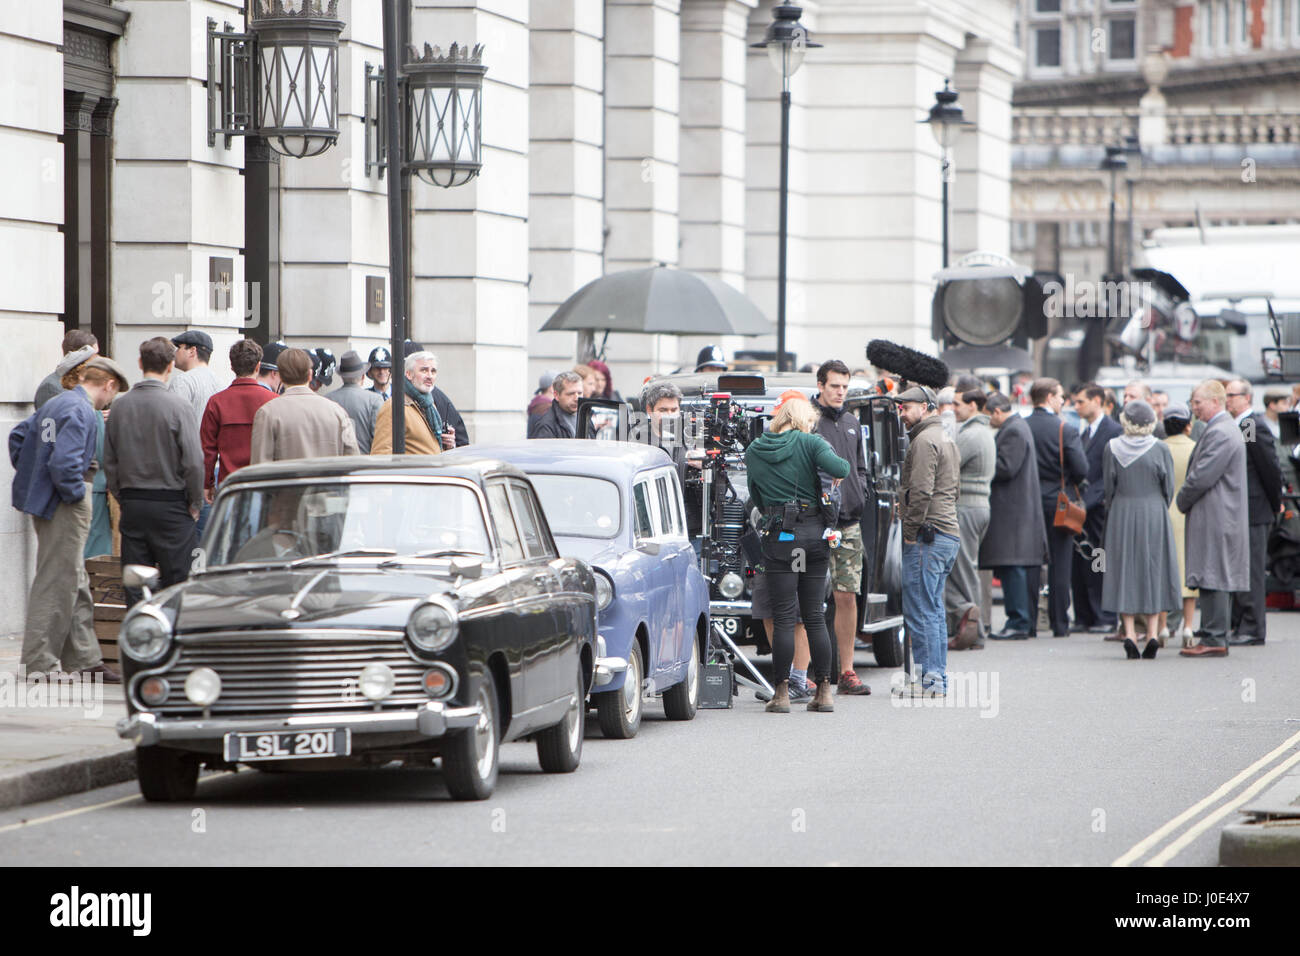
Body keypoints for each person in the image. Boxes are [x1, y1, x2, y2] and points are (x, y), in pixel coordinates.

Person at [10, 354, 127, 681]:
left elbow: (18, 438)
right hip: (66, 503)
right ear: (109, 384)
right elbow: (65, 465)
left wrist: (36, 477)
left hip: (50, 500)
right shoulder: (82, 411)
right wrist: (76, 493)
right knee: (57, 580)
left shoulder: (59, 404)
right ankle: (38, 664)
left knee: (73, 578)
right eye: (113, 393)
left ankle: (86, 659)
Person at [744, 395, 850, 713]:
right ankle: (825, 692)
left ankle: (782, 694)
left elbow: (756, 495)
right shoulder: (811, 443)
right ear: (803, 418)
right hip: (813, 537)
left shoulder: (755, 450)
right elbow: (841, 467)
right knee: (814, 615)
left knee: (784, 616)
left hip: (780, 539)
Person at [104, 337, 205, 609]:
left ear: (140, 363)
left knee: (136, 583)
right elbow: (194, 462)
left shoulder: (119, 407)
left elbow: (109, 461)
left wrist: (122, 496)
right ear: (171, 366)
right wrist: (195, 503)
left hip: (134, 503)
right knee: (178, 582)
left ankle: (141, 640)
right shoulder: (178, 406)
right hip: (172, 504)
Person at [894, 385, 961, 697]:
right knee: (933, 609)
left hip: (928, 536)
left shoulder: (923, 440)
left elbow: (921, 491)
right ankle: (937, 678)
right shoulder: (944, 436)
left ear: (925, 407)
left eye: (906, 407)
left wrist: (909, 531)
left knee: (920, 610)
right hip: (946, 533)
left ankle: (929, 680)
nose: (902, 414)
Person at [1101, 401, 1181, 659]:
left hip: (1122, 511)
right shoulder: (1160, 448)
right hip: (1154, 511)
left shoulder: (1111, 447)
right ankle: (1154, 633)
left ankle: (1130, 634)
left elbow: (1108, 487)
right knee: (1154, 569)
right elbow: (1168, 487)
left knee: (1124, 569)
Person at [813, 360, 872, 695]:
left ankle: (847, 671)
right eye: (834, 386)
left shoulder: (852, 421)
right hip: (813, 523)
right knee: (806, 598)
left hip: (848, 523)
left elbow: (860, 467)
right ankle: (802, 673)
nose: (840, 392)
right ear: (821, 385)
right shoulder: (808, 420)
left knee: (846, 595)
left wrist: (858, 492)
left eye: (844, 387)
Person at [1177, 380, 1249, 657]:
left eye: (1198, 402)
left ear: (1215, 402)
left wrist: (1181, 500)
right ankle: (1212, 634)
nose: (1194, 408)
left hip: (1217, 513)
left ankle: (1214, 637)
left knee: (1214, 572)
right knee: (1213, 571)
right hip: (1218, 512)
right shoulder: (1222, 428)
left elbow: (1202, 475)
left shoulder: (1220, 431)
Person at [980, 392, 1048, 639]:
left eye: (989, 415)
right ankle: (1020, 620)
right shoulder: (1017, 426)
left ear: (997, 411)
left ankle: (1018, 622)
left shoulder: (1014, 430)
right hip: (1016, 510)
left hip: (1013, 511)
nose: (988, 421)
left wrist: (983, 464)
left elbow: (1006, 467)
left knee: (1013, 567)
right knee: (1013, 567)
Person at [1024, 378, 1088, 637]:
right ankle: (1060, 623)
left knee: (1030, 562)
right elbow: (1082, 469)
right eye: (1060, 396)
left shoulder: (1021, 426)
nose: (1063, 401)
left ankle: (1028, 622)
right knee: (1060, 564)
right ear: (1049, 397)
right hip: (1059, 502)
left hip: (1027, 501)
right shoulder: (1065, 429)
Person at [1225, 379, 1282, 646]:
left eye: (1232, 395)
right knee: (1241, 570)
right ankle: (1241, 624)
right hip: (1243, 509)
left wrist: (1273, 503)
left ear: (1246, 398)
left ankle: (1253, 628)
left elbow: (1268, 469)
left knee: (1253, 572)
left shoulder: (1251, 425)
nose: (1227, 399)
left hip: (1255, 509)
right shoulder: (1240, 424)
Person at [945, 388, 995, 650]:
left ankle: (969, 617)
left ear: (973, 405)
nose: (953, 408)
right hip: (978, 507)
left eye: (957, 404)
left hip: (966, 507)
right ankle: (974, 628)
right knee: (967, 570)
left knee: (960, 571)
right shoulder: (983, 432)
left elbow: (948, 463)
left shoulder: (972, 434)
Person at [1071, 383, 1123, 635]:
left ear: (1097, 400)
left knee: (1098, 562)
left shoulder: (1113, 430)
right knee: (1080, 562)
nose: (1076, 406)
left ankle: (1104, 615)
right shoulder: (1083, 432)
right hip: (1080, 509)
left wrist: (1089, 501)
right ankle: (1084, 615)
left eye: (1081, 401)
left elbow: (1110, 473)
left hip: (1099, 509)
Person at [249, 347, 360, 463]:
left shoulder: (267, 413)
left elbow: (260, 465)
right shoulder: (337, 412)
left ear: (280, 376)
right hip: (329, 480)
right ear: (310, 375)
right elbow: (353, 460)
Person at [201, 339, 278, 504]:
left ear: (232, 367)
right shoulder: (274, 401)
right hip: (263, 483)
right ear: (258, 366)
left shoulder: (216, 402)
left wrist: (207, 483)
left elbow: (208, 450)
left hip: (229, 484)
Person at [1158, 403, 1198, 647]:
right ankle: (1189, 628)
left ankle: (1162, 627)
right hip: (1187, 513)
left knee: (1164, 571)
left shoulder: (1159, 448)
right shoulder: (1196, 447)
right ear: (1187, 425)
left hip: (1163, 512)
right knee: (1188, 572)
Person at [370, 350, 453, 456]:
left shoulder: (429, 404)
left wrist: (448, 445)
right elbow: (381, 454)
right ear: (408, 374)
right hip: (413, 472)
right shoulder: (394, 407)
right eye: (424, 370)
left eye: (433, 371)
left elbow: (430, 449)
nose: (430, 376)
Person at [327, 350, 384, 454]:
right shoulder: (375, 400)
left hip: (336, 465)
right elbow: (380, 439)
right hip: (366, 464)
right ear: (363, 377)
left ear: (342, 377)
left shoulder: (328, 399)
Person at [169, 330, 224, 425]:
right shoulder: (220, 382)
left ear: (192, 351)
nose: (175, 352)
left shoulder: (182, 381)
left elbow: (173, 422)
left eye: (179, 347)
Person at [35, 330, 98, 409]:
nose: (97, 359)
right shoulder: (50, 387)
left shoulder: (88, 384)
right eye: (94, 354)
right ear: (77, 355)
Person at [530, 370, 583, 439]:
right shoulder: (546, 426)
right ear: (556, 395)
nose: (577, 398)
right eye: (570, 394)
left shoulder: (586, 418)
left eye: (580, 393)